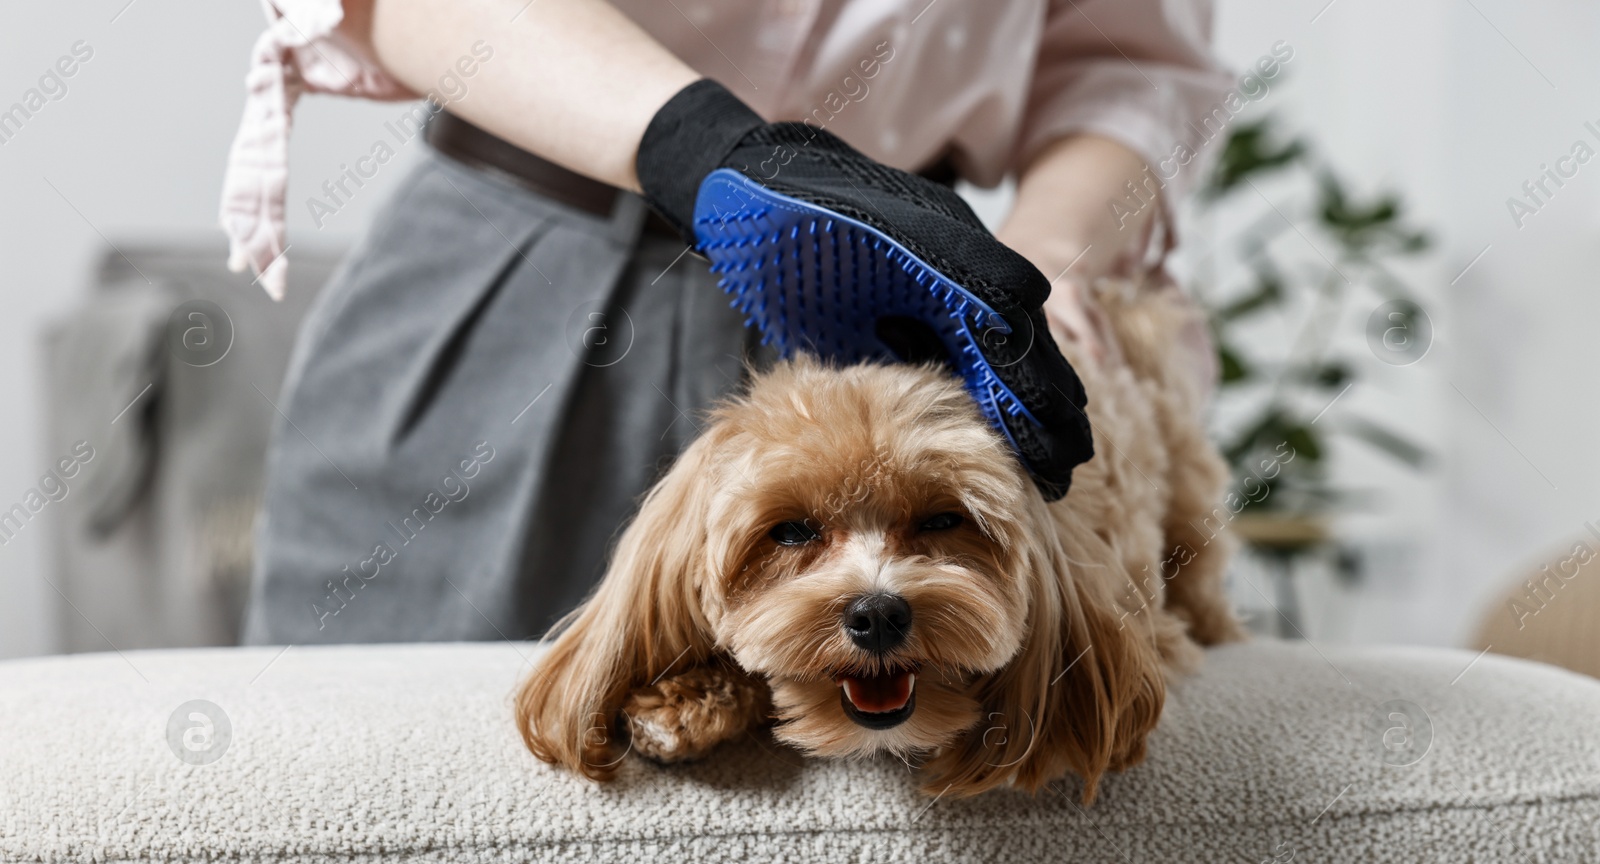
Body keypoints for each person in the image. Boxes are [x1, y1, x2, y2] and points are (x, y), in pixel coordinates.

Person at [221, 0, 1232, 645]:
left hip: (888, 318)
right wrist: (694, 145)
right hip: (516, 266)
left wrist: (1041, 263)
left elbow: (1136, 67)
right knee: (370, 794)